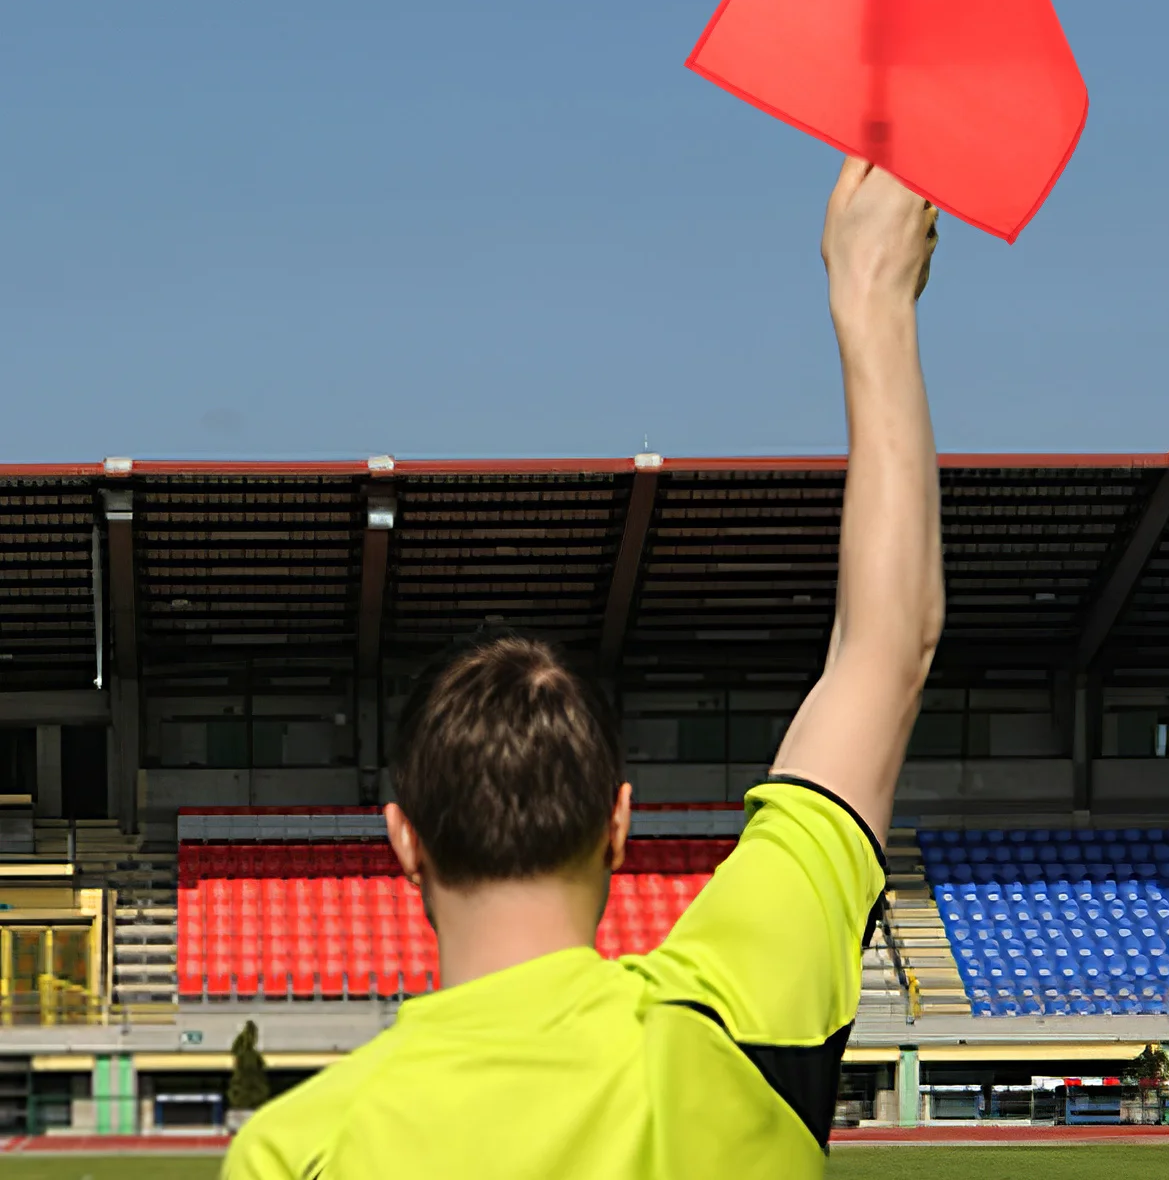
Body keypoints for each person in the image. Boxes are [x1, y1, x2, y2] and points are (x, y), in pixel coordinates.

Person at [225, 157, 944, 1179]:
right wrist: (871, 292)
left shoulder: (298, 1150)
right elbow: (887, 649)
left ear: (404, 841)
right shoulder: (728, 1024)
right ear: (617, 824)